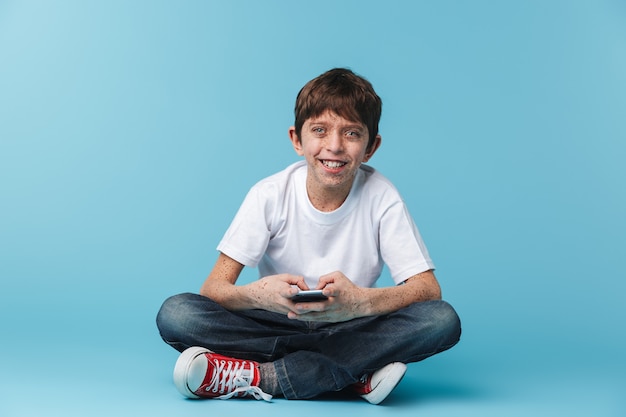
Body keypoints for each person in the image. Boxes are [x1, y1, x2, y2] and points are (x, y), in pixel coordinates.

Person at [156, 68, 461, 404]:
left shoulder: (382, 196)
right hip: (275, 324)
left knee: (441, 319)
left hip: (350, 326)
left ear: (371, 147)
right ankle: (353, 372)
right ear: (297, 140)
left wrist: (360, 302)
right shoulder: (269, 194)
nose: (334, 146)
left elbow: (428, 290)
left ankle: (261, 376)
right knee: (177, 313)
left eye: (352, 134)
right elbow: (213, 289)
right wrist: (259, 296)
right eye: (319, 130)